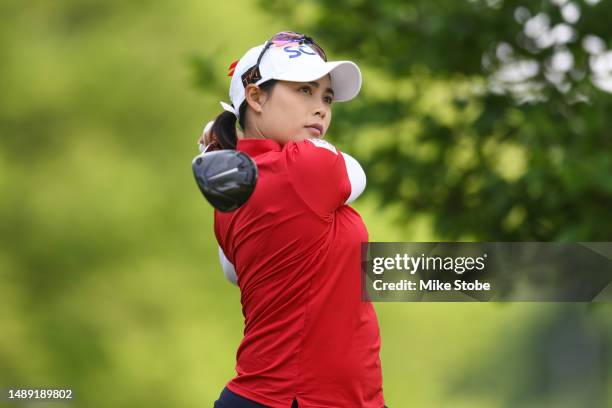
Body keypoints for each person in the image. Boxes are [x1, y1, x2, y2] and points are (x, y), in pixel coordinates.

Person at [199, 31, 386, 408]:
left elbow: (232, 271)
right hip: (296, 399)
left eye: (327, 97)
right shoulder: (306, 164)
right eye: (304, 90)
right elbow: (357, 173)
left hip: (313, 397)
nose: (321, 109)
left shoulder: (229, 197)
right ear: (255, 96)